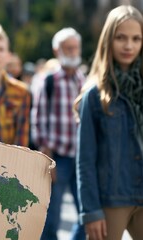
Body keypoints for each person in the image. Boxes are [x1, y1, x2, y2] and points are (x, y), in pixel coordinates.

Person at [74, 5, 143, 240]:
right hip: (110, 199)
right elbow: (85, 160)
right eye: (121, 37)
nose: (129, 45)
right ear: (108, 40)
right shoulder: (94, 96)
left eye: (136, 38)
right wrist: (90, 211)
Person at [31, 27, 86, 240]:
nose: (73, 52)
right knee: (51, 217)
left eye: (75, 47)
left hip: (81, 157)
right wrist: (48, 158)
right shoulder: (48, 81)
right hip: (57, 157)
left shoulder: (84, 79)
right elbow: (38, 120)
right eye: (68, 48)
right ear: (58, 51)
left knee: (86, 215)